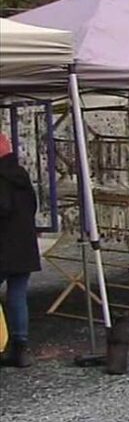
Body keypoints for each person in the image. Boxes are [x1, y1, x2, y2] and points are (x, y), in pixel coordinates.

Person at [1, 133, 40, 368]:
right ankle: (20, 346)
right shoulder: (20, 175)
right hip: (24, 244)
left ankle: (5, 344)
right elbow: (32, 205)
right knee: (18, 295)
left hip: (4, 244)